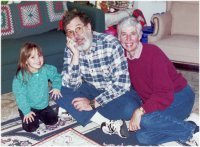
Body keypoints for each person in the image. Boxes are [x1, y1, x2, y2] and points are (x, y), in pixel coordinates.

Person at [55, 10, 140, 138]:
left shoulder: (110, 44)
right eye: (70, 32)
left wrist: (92, 104)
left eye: (78, 28)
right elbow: (70, 84)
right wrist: (75, 56)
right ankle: (105, 122)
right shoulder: (71, 48)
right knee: (58, 89)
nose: (76, 35)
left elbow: (122, 85)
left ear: (88, 27)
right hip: (92, 89)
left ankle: (78, 111)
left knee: (129, 109)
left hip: (117, 93)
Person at [117, 17, 199, 146]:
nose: (128, 39)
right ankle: (190, 124)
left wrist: (140, 110)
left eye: (133, 34)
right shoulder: (122, 58)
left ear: (139, 36)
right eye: (124, 34)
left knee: (145, 120)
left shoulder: (153, 53)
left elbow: (164, 93)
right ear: (119, 38)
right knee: (142, 137)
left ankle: (192, 131)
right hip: (158, 100)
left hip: (179, 96)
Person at [12, 42, 62, 132]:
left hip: (43, 105)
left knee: (53, 120)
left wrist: (56, 86)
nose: (38, 59)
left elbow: (56, 76)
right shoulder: (21, 76)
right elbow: (20, 95)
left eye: (39, 55)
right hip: (29, 106)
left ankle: (41, 114)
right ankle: (22, 112)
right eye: (33, 57)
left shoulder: (46, 69)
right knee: (31, 128)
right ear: (25, 61)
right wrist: (26, 111)